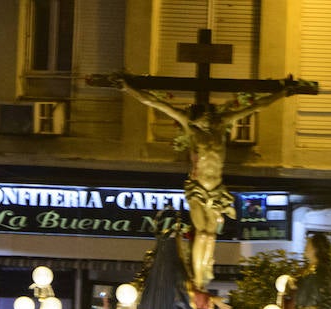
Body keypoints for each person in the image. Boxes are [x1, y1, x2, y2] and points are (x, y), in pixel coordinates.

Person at [103, 73, 316, 291]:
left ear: (208, 115)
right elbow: (155, 103)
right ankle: (197, 279)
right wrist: (127, 88)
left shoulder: (222, 125)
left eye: (201, 118)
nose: (198, 121)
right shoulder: (191, 128)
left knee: (211, 234)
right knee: (203, 233)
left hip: (216, 190)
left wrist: (283, 92)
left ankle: (203, 276)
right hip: (197, 189)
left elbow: (256, 106)